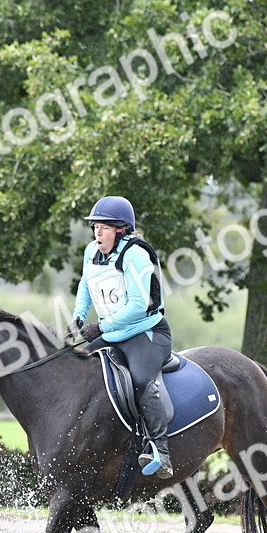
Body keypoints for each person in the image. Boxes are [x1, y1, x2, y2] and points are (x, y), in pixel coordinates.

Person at [72, 195, 174, 478]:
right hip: (114, 334)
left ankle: (161, 451)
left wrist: (101, 327)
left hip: (147, 333)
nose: (97, 233)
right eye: (95, 227)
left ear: (120, 230)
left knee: (141, 380)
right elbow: (85, 285)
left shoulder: (136, 255)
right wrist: (79, 315)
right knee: (80, 371)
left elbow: (139, 305)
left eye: (104, 228)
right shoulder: (91, 251)